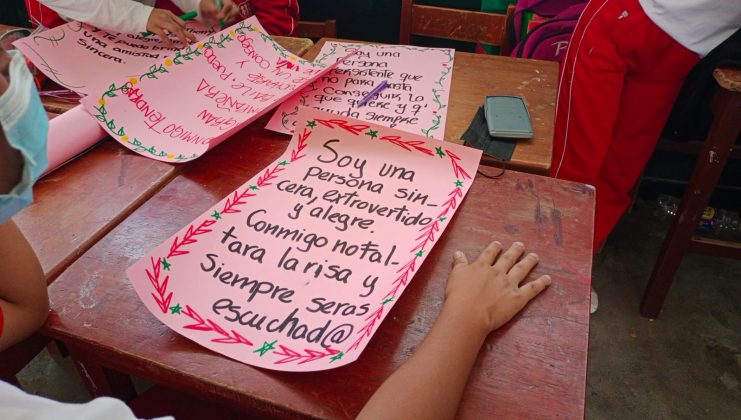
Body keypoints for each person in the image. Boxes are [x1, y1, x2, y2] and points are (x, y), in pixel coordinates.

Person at [551, 0, 741, 253]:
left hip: (683, 51)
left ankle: (570, 263)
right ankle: (542, 257)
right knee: (575, 164)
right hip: (626, 18)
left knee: (618, 175)